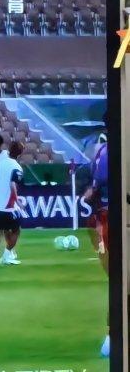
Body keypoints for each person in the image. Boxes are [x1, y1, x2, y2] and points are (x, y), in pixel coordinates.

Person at [82, 113, 109, 358]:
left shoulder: (104, 151)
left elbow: (98, 181)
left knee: (117, 277)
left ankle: (113, 336)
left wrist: (89, 193)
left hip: (110, 215)